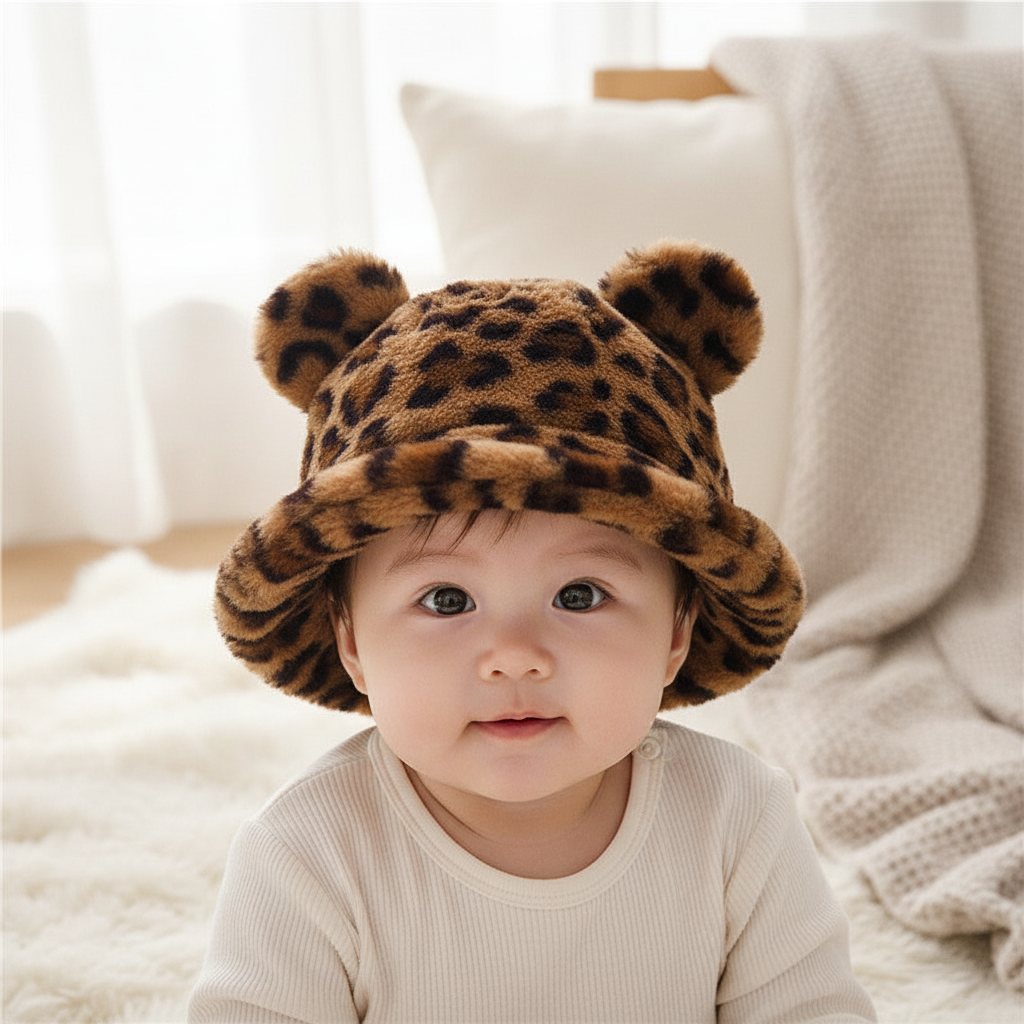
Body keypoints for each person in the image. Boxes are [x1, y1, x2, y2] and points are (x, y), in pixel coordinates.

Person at [188, 241, 876, 1023]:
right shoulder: (308, 851)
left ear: (677, 631)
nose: (514, 655)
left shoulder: (739, 819)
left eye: (580, 595)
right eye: (446, 600)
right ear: (351, 642)